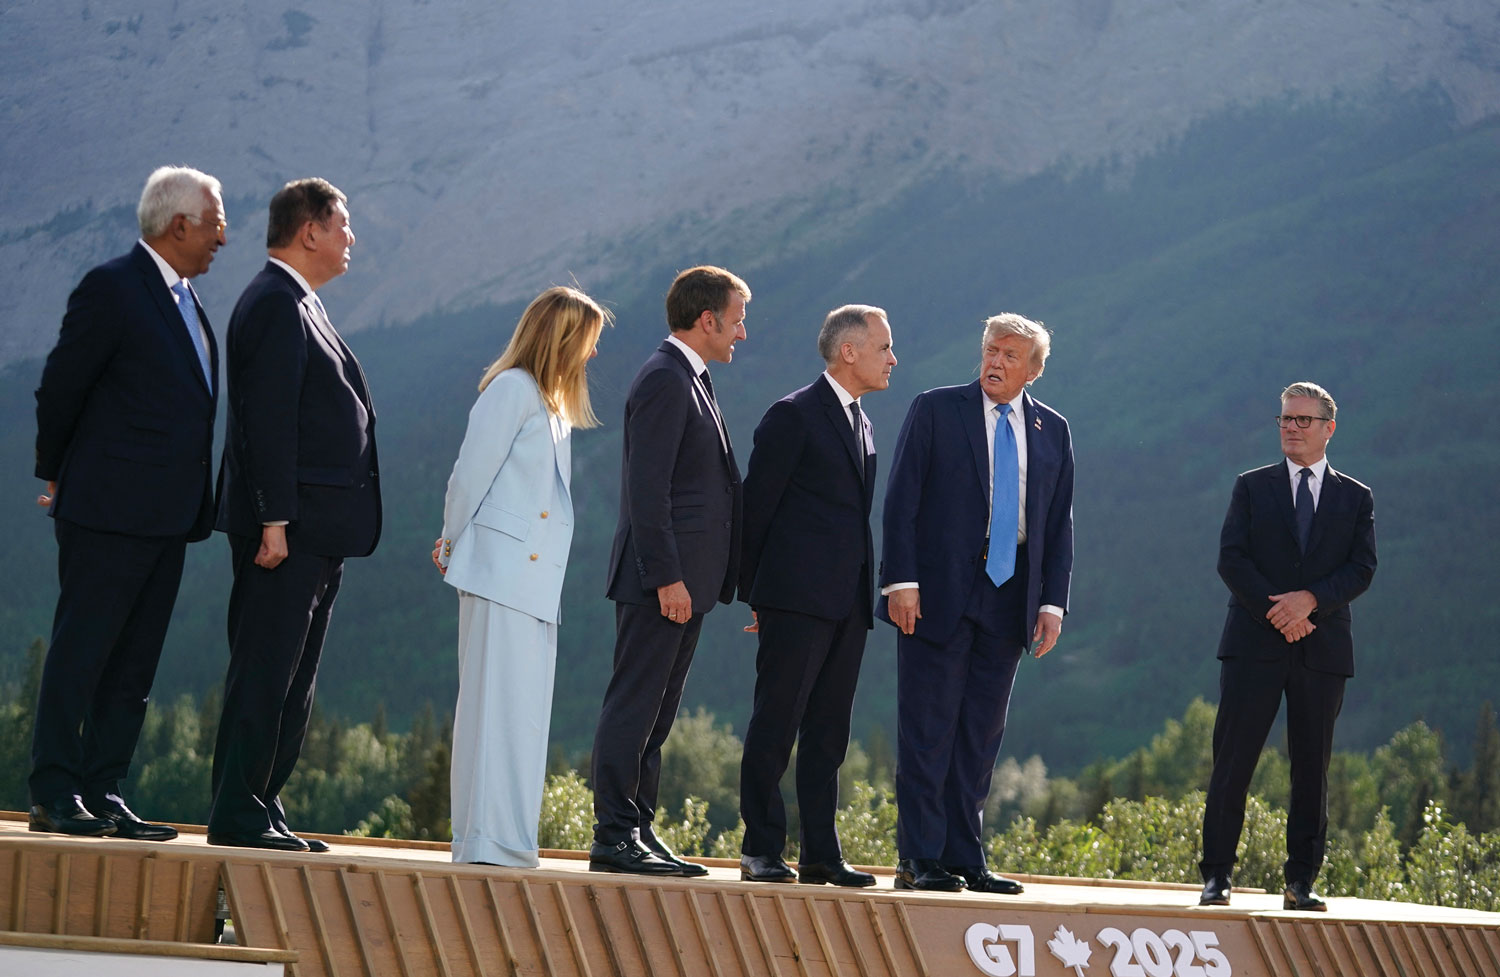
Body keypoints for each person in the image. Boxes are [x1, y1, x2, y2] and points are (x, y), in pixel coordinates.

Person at [29, 166, 225, 841]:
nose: (222, 237)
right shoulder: (112, 287)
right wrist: (56, 473)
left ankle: (103, 789)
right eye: (216, 223)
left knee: (134, 665)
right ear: (179, 225)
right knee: (83, 652)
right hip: (106, 510)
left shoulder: (190, 299)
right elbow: (61, 387)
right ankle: (54, 791)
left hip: (169, 517)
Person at [208, 178, 380, 852]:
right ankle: (237, 812)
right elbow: (267, 420)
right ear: (309, 231)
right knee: (265, 670)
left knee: (293, 678)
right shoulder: (274, 303)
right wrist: (273, 520)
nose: (351, 238)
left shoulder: (300, 302)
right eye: (343, 225)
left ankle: (262, 802)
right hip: (284, 533)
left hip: (315, 531)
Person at [879, 313, 1074, 893]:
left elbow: (1058, 523)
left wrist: (1052, 604)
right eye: (991, 349)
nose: (995, 361)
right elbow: (901, 498)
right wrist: (901, 580)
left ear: (1033, 370)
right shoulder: (936, 409)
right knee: (928, 728)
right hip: (935, 592)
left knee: (980, 736)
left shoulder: (1053, 429)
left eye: (1011, 355)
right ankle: (919, 858)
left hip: (1012, 595)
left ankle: (966, 857)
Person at [432, 286, 610, 866]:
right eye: (588, 342)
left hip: (532, 584)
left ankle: (509, 840)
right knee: (492, 709)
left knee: (521, 715)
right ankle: (484, 840)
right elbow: (469, 475)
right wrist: (450, 541)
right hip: (499, 575)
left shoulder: (549, 404)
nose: (593, 355)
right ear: (562, 339)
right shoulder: (511, 390)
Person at [588, 265, 750, 876]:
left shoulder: (690, 377)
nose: (742, 333)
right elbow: (647, 490)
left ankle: (638, 827)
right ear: (706, 320)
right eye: (736, 321)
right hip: (660, 583)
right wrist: (666, 577)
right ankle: (612, 836)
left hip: (685, 583)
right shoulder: (664, 378)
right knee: (634, 707)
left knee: (656, 716)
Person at [1199, 382, 1376, 911]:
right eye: (1285, 419)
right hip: (1253, 644)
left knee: (1311, 768)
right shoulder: (1252, 487)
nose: (1291, 428)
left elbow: (1362, 569)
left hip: (1322, 650)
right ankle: (1216, 876)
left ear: (1329, 428)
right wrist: (1279, 612)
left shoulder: (1356, 496)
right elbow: (1231, 559)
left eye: (1303, 419)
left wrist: (1310, 602)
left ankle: (1301, 882)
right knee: (1233, 761)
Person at [736, 305, 897, 886]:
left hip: (847, 602)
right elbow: (756, 507)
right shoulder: (793, 415)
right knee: (776, 724)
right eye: (884, 347)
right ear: (848, 351)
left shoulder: (863, 423)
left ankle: (821, 855)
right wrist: (757, 595)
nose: (893, 359)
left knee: (829, 734)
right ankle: (760, 849)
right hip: (795, 599)